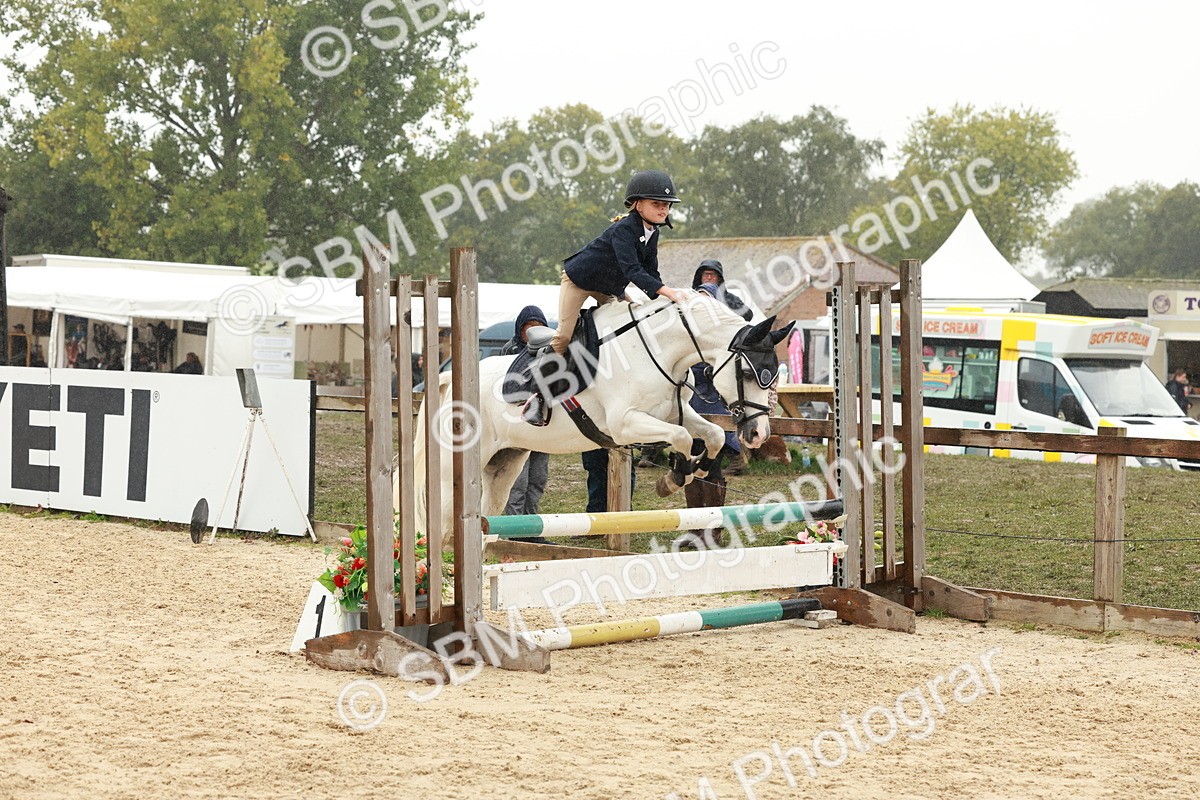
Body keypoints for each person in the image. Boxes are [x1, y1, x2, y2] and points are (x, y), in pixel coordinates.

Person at [549, 169, 690, 356]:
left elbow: (651, 271)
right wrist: (669, 292)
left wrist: (664, 298)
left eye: (666, 204)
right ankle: (539, 373)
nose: (663, 209)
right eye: (656, 204)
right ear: (638, 205)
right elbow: (633, 270)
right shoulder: (623, 229)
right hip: (579, 280)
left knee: (634, 321)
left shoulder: (653, 232)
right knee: (563, 337)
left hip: (607, 286)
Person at [674, 281, 745, 549]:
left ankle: (712, 532)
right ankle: (694, 530)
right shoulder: (686, 331)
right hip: (690, 406)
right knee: (689, 467)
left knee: (712, 468)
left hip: (716, 408)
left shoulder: (722, 333)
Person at [500, 306, 552, 521]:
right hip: (518, 425)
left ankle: (530, 527)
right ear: (520, 329)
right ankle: (514, 529)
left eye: (537, 327)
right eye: (528, 327)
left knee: (538, 480)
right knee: (517, 482)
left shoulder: (550, 350)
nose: (532, 333)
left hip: (541, 425)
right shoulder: (511, 350)